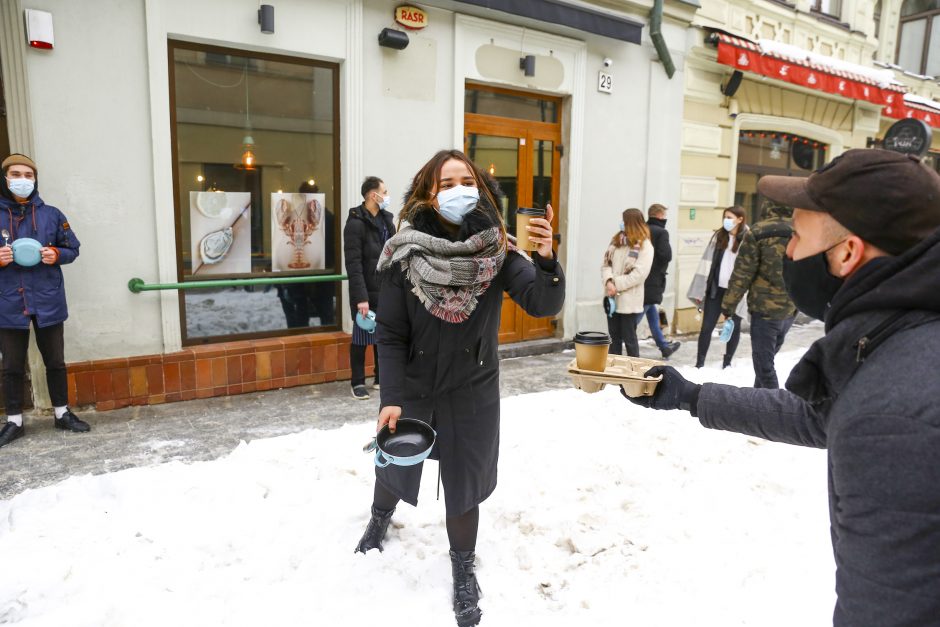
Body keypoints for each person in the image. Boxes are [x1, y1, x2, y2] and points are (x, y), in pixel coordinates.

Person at [625, 149, 940, 626]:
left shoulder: (891, 419)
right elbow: (818, 415)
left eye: (797, 236)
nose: (790, 252)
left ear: (847, 253)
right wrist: (691, 396)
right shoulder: (901, 334)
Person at [354, 149, 564, 627]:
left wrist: (547, 258)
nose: (457, 189)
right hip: (415, 385)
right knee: (395, 465)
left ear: (481, 188)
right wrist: (390, 397)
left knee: (463, 483)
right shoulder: (404, 251)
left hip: (473, 387)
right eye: (446, 183)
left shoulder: (498, 250)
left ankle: (463, 566)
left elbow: (541, 302)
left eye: (465, 180)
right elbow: (389, 333)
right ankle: (380, 517)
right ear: (429, 192)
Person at [0, 154, 88, 449]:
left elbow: (72, 248)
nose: (22, 179)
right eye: (16, 173)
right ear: (5, 177)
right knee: (12, 365)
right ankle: (14, 421)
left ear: (35, 179)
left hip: (47, 298)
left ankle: (62, 414)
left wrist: (56, 255)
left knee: (55, 361)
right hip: (9, 301)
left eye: (28, 174)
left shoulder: (51, 214)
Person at [720, 202, 797, 388]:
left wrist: (728, 307)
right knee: (766, 363)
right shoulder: (801, 231)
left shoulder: (758, 232)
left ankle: (775, 410)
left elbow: (742, 274)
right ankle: (758, 405)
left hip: (764, 311)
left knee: (764, 367)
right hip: (790, 308)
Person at [343, 176, 395, 400]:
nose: (387, 195)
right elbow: (353, 264)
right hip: (365, 291)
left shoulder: (387, 221)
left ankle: (380, 377)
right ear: (373, 195)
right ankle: (357, 382)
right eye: (384, 191)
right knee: (361, 337)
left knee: (382, 336)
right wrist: (360, 298)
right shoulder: (355, 223)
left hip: (386, 290)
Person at [687, 206, 748, 368]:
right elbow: (706, 263)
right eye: (725, 217)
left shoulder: (749, 238)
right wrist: (701, 289)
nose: (726, 220)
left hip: (736, 292)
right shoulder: (719, 236)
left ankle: (727, 363)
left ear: (740, 219)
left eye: (730, 217)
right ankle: (699, 364)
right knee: (706, 327)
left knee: (733, 327)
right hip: (716, 289)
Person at [277, 182, 337, 329]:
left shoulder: (326, 218)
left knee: (306, 315)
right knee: (320, 315)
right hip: (311, 275)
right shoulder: (326, 217)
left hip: (318, 276)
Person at [602, 208, 652, 357]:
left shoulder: (645, 245)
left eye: (624, 221)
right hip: (612, 298)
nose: (621, 224)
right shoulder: (616, 241)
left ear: (632, 223)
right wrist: (608, 282)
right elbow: (606, 264)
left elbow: (639, 274)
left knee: (629, 339)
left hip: (629, 300)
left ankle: (633, 374)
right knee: (613, 339)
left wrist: (615, 284)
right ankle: (615, 372)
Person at [636, 204, 680, 359]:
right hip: (654, 279)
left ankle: (664, 346)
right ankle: (621, 339)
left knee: (652, 313)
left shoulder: (643, 229)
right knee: (639, 314)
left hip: (642, 277)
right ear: (660, 215)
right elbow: (666, 255)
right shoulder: (662, 232)